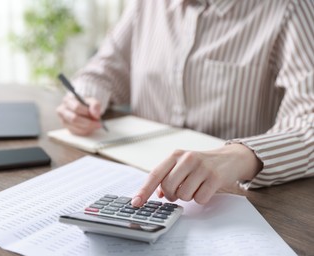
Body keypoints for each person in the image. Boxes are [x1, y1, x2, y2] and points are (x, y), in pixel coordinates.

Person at [56, 0, 314, 207]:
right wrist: (84, 97)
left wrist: (239, 157)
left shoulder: (291, 7)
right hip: (131, 179)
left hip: (236, 199)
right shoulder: (146, 5)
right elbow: (103, 70)